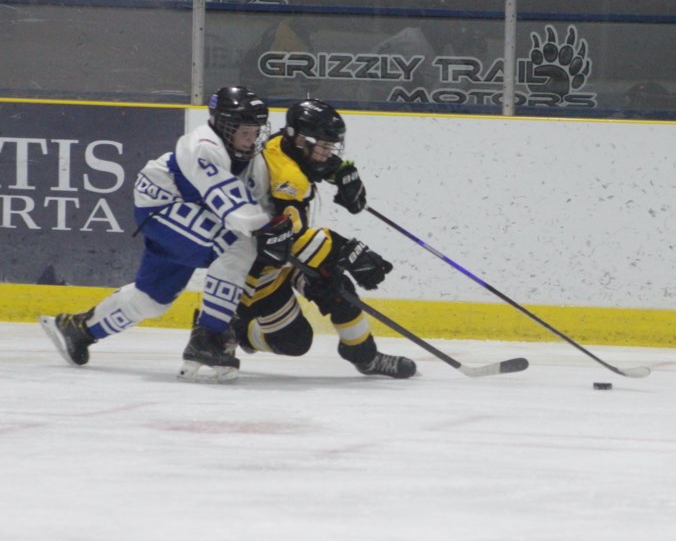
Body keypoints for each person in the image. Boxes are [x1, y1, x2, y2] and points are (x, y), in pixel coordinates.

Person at [40, 86, 293, 384]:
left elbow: (261, 205)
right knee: (237, 244)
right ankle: (207, 339)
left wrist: (277, 230)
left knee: (153, 299)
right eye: (244, 132)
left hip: (195, 215)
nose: (251, 140)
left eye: (255, 132)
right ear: (224, 126)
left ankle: (78, 330)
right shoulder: (203, 145)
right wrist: (265, 231)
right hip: (162, 206)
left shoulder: (254, 161)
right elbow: (238, 211)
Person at [233, 98, 416, 378]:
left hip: (285, 254)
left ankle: (363, 356)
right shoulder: (289, 180)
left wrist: (340, 171)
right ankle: (234, 330)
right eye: (322, 147)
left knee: (338, 288)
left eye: (330, 147)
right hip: (261, 266)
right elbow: (289, 241)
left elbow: (312, 163)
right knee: (294, 342)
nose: (326, 153)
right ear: (301, 140)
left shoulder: (281, 143)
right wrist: (347, 250)